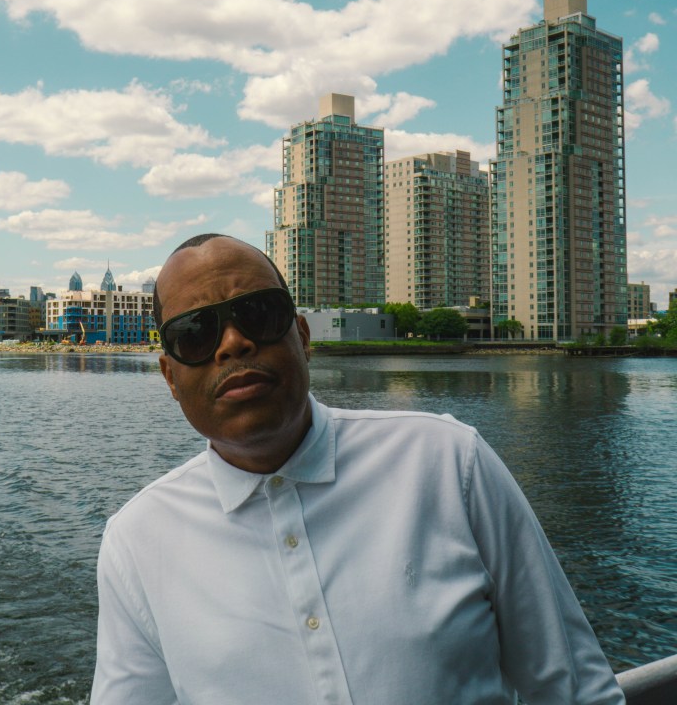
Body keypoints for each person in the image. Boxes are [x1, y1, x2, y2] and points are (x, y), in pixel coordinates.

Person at [91, 233, 625, 705]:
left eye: (258, 314)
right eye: (194, 334)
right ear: (168, 374)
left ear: (302, 337)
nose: (233, 343)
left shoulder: (447, 463)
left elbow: (575, 690)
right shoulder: (137, 544)